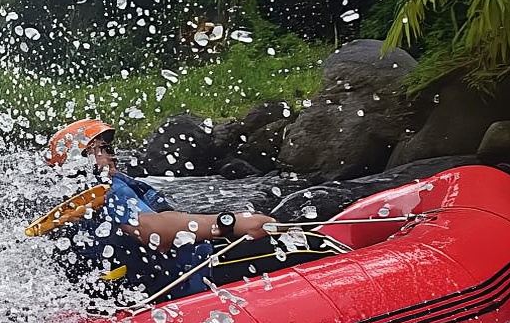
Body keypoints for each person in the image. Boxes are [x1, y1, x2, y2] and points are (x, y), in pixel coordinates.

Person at [36, 118, 332, 302]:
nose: (110, 155)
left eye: (106, 147)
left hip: (153, 284)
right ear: (77, 165)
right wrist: (230, 224)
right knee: (311, 248)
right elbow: (155, 232)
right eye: (98, 150)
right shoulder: (102, 191)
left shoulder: (75, 205)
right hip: (185, 279)